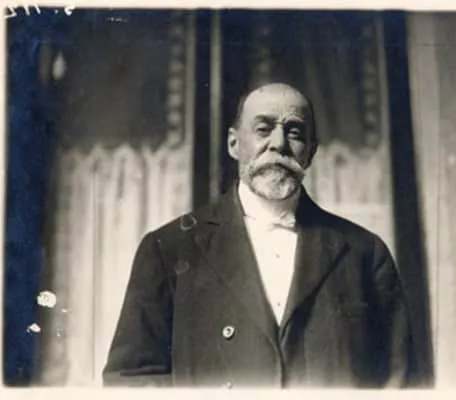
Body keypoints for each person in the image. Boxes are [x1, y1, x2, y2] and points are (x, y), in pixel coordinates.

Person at [103, 82, 414, 388]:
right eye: (263, 129)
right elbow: (131, 381)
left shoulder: (365, 253)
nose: (278, 144)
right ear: (234, 144)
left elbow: (402, 381)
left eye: (294, 132)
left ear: (311, 152)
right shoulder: (168, 248)